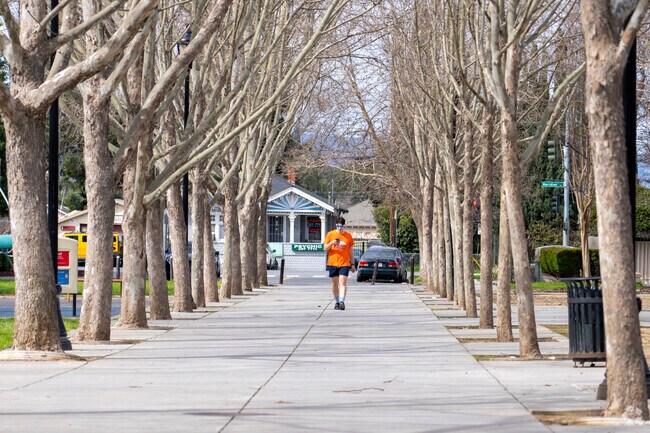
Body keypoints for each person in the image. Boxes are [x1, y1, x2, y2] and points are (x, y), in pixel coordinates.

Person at [324, 217, 355, 310]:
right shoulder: (330, 234)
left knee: (342, 282)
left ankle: (342, 302)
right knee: (334, 283)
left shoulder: (348, 236)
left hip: (344, 263)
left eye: (341, 226)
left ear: (344, 225)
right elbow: (325, 248)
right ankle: (337, 302)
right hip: (333, 262)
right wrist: (332, 242)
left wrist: (352, 263)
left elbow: (351, 251)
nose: (339, 228)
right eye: (337, 226)